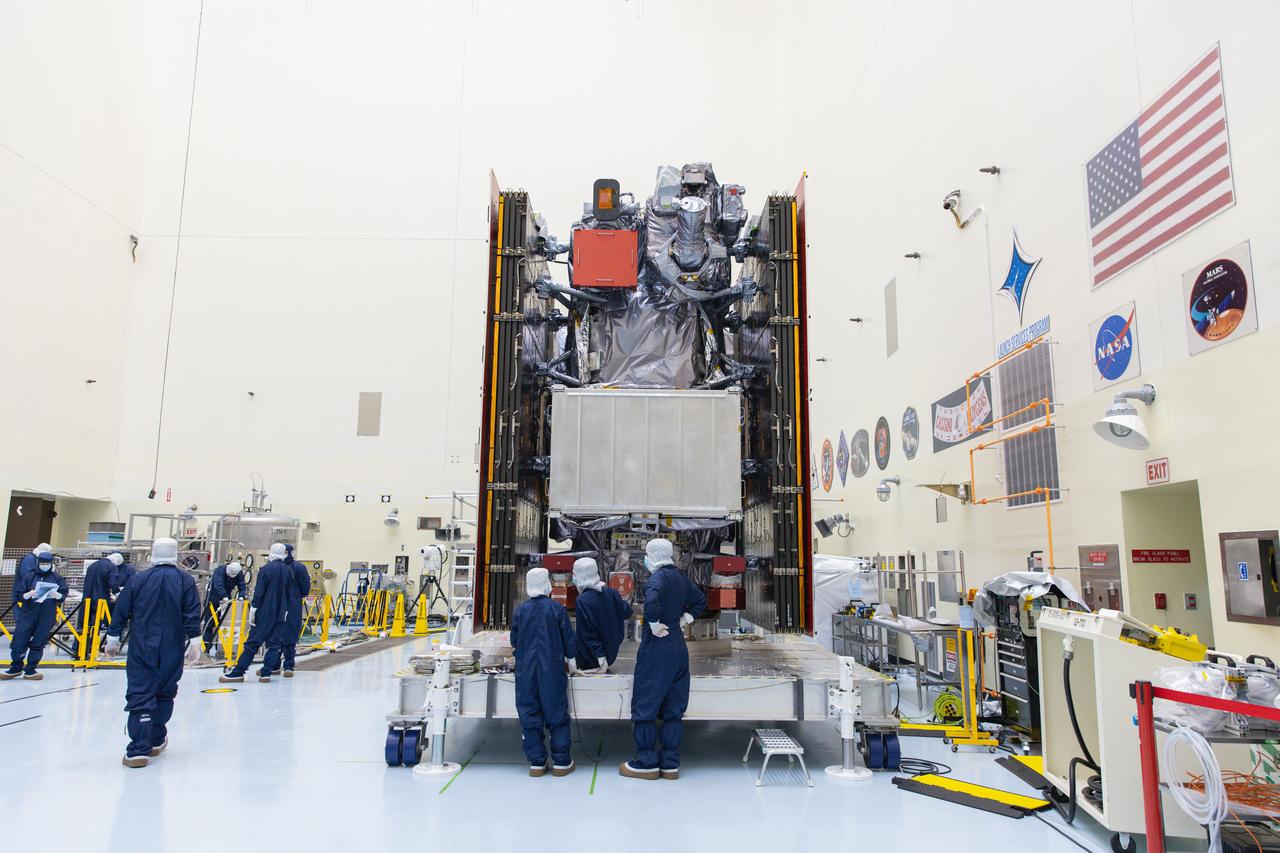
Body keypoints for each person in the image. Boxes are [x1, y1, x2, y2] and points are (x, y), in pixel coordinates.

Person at [102, 537, 201, 768]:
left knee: (141, 692)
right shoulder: (185, 581)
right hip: (172, 647)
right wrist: (195, 642)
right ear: (176, 554)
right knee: (165, 692)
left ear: (153, 554)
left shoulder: (138, 580)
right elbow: (192, 613)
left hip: (142, 645)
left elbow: (121, 611)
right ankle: (156, 738)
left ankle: (138, 749)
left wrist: (113, 639)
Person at [619, 538, 706, 781]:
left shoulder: (656, 579)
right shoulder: (680, 578)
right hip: (678, 648)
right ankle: (670, 764)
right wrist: (686, 618)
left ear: (652, 557)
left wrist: (655, 622)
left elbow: (653, 599)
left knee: (645, 705)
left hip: (657, 648)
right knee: (673, 708)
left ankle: (646, 762)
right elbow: (700, 600)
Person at [510, 567, 577, 777]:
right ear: (547, 584)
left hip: (526, 671)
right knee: (556, 713)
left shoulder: (520, 611)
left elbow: (514, 640)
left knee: (529, 714)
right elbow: (568, 639)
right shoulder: (556, 609)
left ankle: (537, 763)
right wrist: (572, 661)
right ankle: (561, 762)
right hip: (552, 670)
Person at [219, 543, 291, 683]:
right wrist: (286, 610)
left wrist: (253, 609)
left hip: (264, 612)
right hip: (281, 612)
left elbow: (259, 592)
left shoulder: (266, 569)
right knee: (274, 645)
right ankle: (266, 673)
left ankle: (239, 672)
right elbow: (289, 593)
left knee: (253, 643)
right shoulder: (289, 571)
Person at [2, 549, 69, 680]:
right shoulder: (30, 576)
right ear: (38, 563)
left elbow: (63, 594)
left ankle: (30, 669)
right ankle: (15, 667)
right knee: (20, 639)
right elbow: (19, 594)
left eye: (47, 563)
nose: (45, 565)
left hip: (46, 615)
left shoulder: (57, 578)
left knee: (38, 642)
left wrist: (58, 595)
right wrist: (27, 595)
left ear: (51, 564)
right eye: (43, 563)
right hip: (28, 614)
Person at [571, 557, 632, 673]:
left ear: (579, 576)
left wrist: (600, 657)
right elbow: (627, 612)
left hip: (591, 659)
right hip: (611, 655)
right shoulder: (612, 593)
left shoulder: (582, 601)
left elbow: (588, 633)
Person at [201, 560, 247, 649]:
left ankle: (221, 648)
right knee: (210, 623)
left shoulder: (238, 572)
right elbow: (218, 585)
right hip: (213, 599)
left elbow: (242, 585)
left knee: (224, 625)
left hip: (227, 601)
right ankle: (206, 647)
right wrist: (224, 597)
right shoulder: (220, 571)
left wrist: (241, 596)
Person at [281, 544, 310, 677]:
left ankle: (275, 665)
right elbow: (305, 588)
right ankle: (288, 665)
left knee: (278, 633)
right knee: (289, 634)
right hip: (293, 604)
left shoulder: (274, 568)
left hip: (279, 605)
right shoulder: (299, 567)